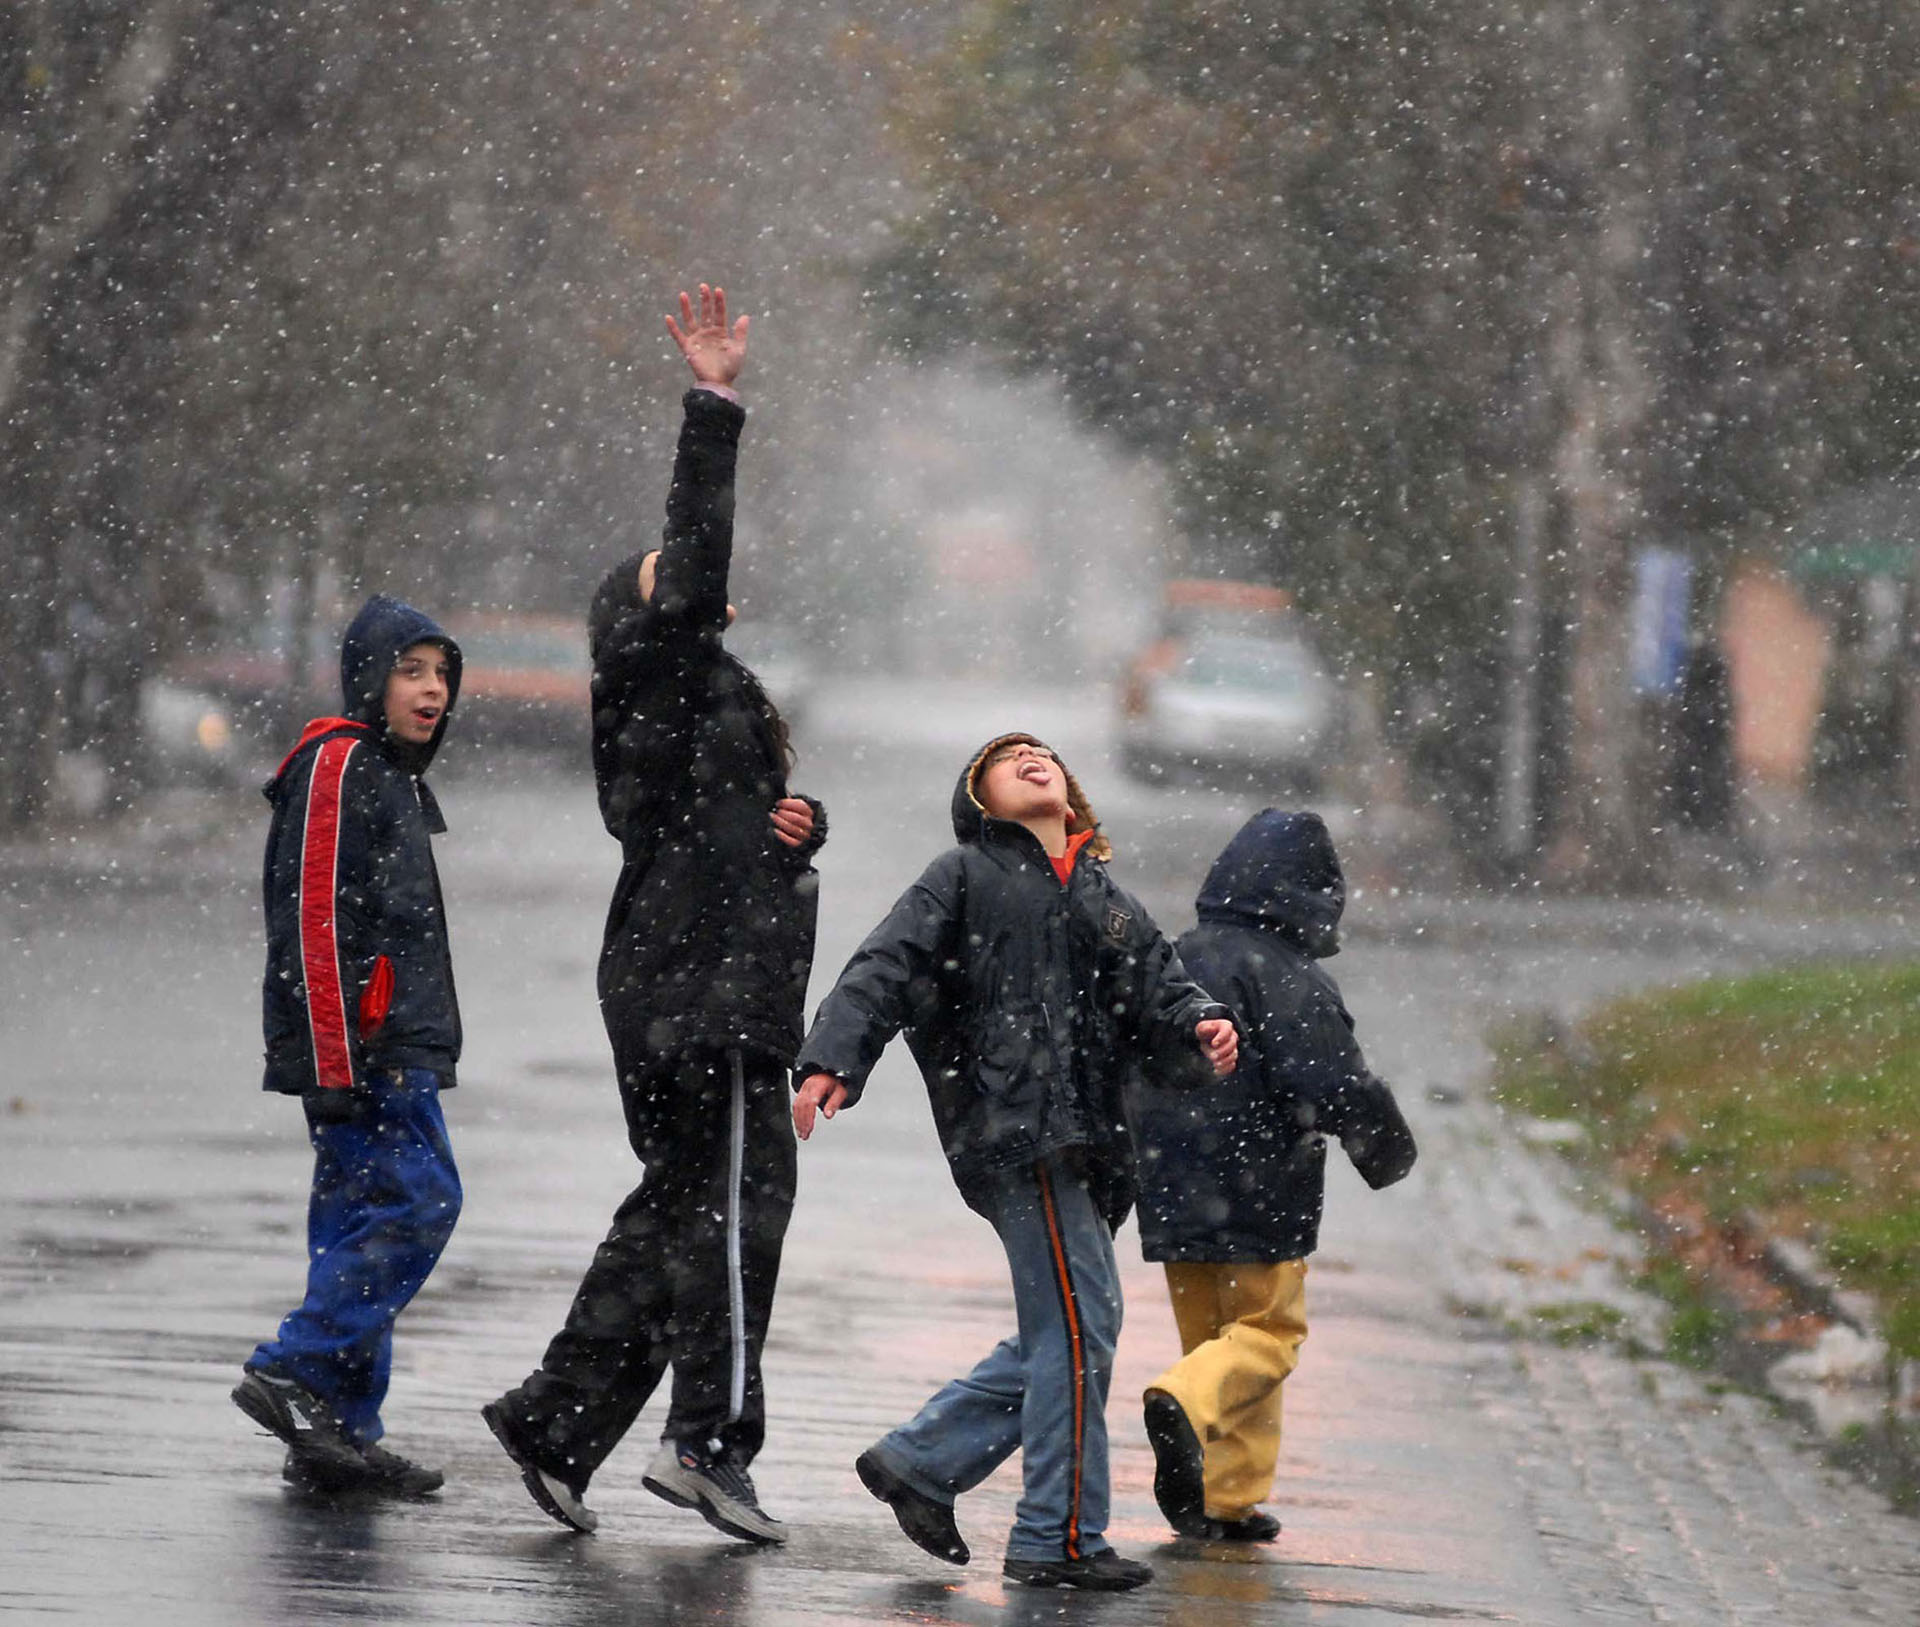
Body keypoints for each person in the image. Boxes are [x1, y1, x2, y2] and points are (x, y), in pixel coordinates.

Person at [483, 285, 826, 1543]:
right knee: (739, 1211)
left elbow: (726, 828)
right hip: (702, 992)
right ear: (640, 611)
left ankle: (555, 1421)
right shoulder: (654, 664)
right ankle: (709, 1444)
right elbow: (692, 557)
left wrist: (797, 830)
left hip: (690, 978)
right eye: (662, 579)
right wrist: (714, 409)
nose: (688, 584)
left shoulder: (693, 703)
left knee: (681, 1210)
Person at [793, 733, 1238, 1593]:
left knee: (1068, 1329)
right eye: (1009, 758)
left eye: (1046, 754)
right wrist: (833, 1059)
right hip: (1015, 1127)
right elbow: (885, 965)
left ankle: (923, 1460)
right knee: (1080, 1326)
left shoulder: (1107, 898)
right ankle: (1056, 1535)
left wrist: (1202, 1025)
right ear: (982, 802)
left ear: (1072, 796)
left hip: (1090, 1143)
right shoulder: (963, 874)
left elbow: (1164, 991)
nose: (1034, 758)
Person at [230, 595, 467, 1499]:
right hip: (366, 1053)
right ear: (371, 676)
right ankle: (297, 1370)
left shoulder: (385, 770)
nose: (432, 688)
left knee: (355, 1226)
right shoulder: (338, 762)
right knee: (419, 1203)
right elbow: (313, 926)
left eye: (442, 672)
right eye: (412, 670)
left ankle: (336, 1428)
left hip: (383, 1045)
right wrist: (334, 1061)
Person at [1130, 809, 1416, 1544]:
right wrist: (1385, 1147)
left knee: (1212, 1341)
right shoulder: (1290, 977)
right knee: (1265, 1335)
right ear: (1313, 899)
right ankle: (1186, 1410)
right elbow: (1333, 1078)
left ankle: (1223, 1498)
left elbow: (1127, 1050)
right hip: (1259, 1187)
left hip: (1170, 1185)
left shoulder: (1175, 954)